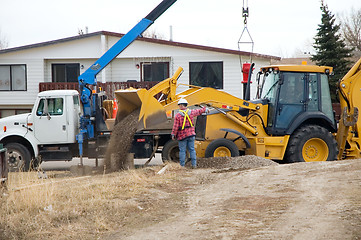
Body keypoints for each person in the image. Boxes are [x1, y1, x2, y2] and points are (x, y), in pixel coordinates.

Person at [171, 98, 207, 168]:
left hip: (182, 136)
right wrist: (205, 109)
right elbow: (199, 111)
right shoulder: (191, 112)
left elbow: (175, 127)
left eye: (179, 105)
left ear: (181, 105)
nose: (179, 106)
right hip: (191, 134)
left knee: (182, 151)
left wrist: (173, 135)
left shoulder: (178, 116)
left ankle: (182, 166)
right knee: (192, 150)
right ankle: (194, 165)